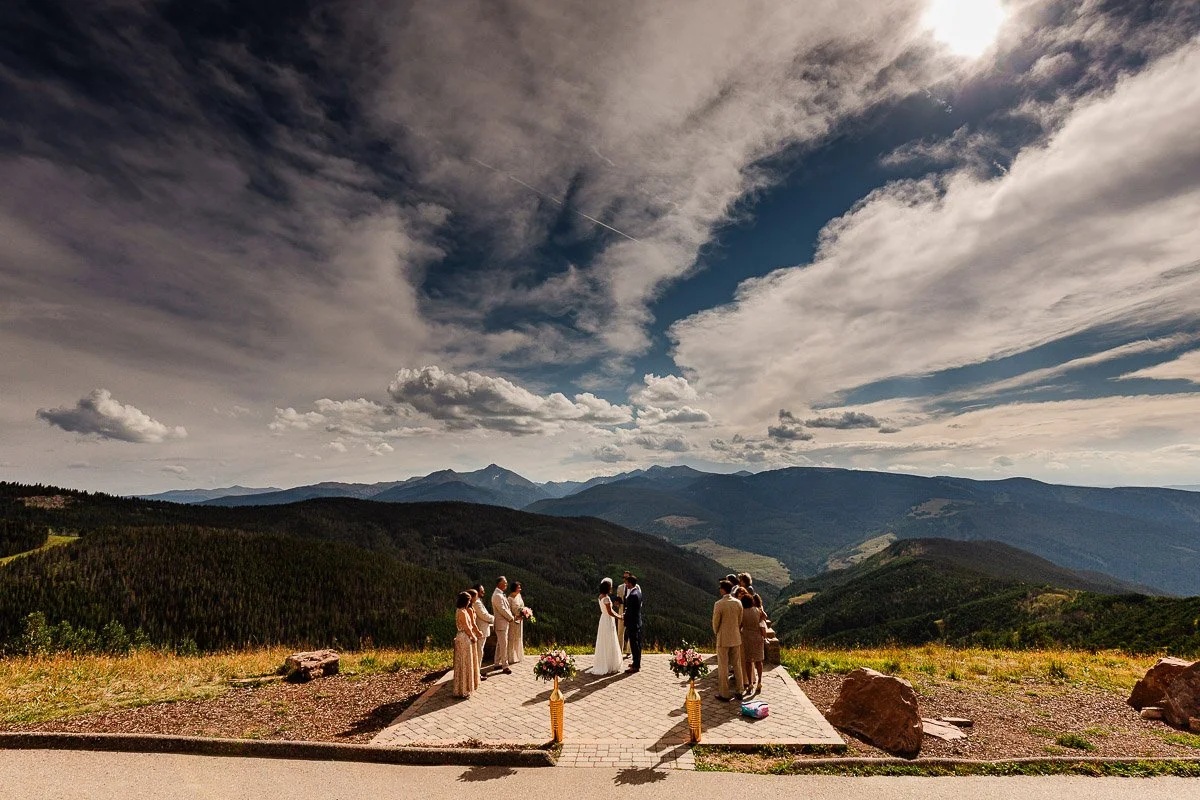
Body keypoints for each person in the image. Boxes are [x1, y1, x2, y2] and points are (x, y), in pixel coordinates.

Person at [712, 579, 745, 701]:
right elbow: (740, 620)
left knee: (723, 665)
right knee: (737, 664)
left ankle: (724, 693)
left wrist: (717, 632)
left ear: (723, 589)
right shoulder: (738, 603)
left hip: (723, 638)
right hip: (736, 637)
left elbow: (716, 623)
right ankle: (740, 690)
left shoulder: (719, 604)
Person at [589, 578, 624, 674]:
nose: (611, 588)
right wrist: (619, 617)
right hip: (608, 620)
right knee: (610, 639)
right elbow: (610, 612)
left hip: (603, 619)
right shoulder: (607, 598)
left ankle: (605, 662)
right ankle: (610, 664)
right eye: (610, 587)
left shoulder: (600, 596)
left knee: (604, 640)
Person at [453, 591, 482, 698]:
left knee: (463, 662)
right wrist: (473, 636)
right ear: (465, 601)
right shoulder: (462, 612)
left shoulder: (461, 610)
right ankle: (464, 689)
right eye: (469, 600)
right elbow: (466, 627)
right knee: (465, 662)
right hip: (464, 638)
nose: (470, 602)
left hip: (462, 637)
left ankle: (462, 687)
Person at [740, 592, 767, 694]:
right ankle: (759, 681)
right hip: (758, 637)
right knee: (759, 661)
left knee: (748, 661)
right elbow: (765, 617)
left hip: (747, 637)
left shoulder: (742, 612)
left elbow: (740, 625)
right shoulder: (757, 610)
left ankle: (750, 683)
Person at [491, 576, 515, 674]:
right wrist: (511, 617)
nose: (506, 584)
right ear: (499, 583)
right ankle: (505, 666)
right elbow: (502, 609)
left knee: (499, 645)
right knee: (503, 645)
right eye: (505, 582)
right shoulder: (497, 595)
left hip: (503, 623)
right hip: (501, 624)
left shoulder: (500, 594)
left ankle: (496, 663)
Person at [470, 585, 493, 681]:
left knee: (480, 651)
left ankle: (477, 671)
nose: (484, 592)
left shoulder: (478, 601)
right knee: (479, 652)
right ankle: (476, 674)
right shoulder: (477, 603)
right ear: (477, 592)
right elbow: (483, 615)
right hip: (480, 630)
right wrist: (494, 619)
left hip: (481, 630)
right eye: (482, 591)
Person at [622, 574, 643, 673]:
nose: (626, 584)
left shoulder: (632, 596)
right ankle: (636, 662)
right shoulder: (638, 592)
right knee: (637, 643)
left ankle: (635, 666)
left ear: (630, 583)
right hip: (637, 622)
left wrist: (624, 616)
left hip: (632, 623)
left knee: (634, 644)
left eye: (627, 583)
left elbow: (630, 611)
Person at [507, 581, 526, 664]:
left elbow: (522, 606)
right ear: (514, 588)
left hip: (520, 620)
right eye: (518, 587)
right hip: (513, 620)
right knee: (512, 638)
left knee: (518, 637)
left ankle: (519, 656)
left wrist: (525, 613)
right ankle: (511, 657)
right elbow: (508, 610)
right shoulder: (510, 598)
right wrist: (515, 617)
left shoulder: (519, 595)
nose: (520, 589)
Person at [616, 570, 631, 657]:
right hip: (621, 611)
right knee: (620, 632)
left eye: (626, 577)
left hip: (631, 612)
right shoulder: (620, 587)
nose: (624, 579)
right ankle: (619, 651)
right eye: (624, 577)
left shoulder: (636, 587)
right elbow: (618, 598)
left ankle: (629, 651)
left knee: (631, 632)